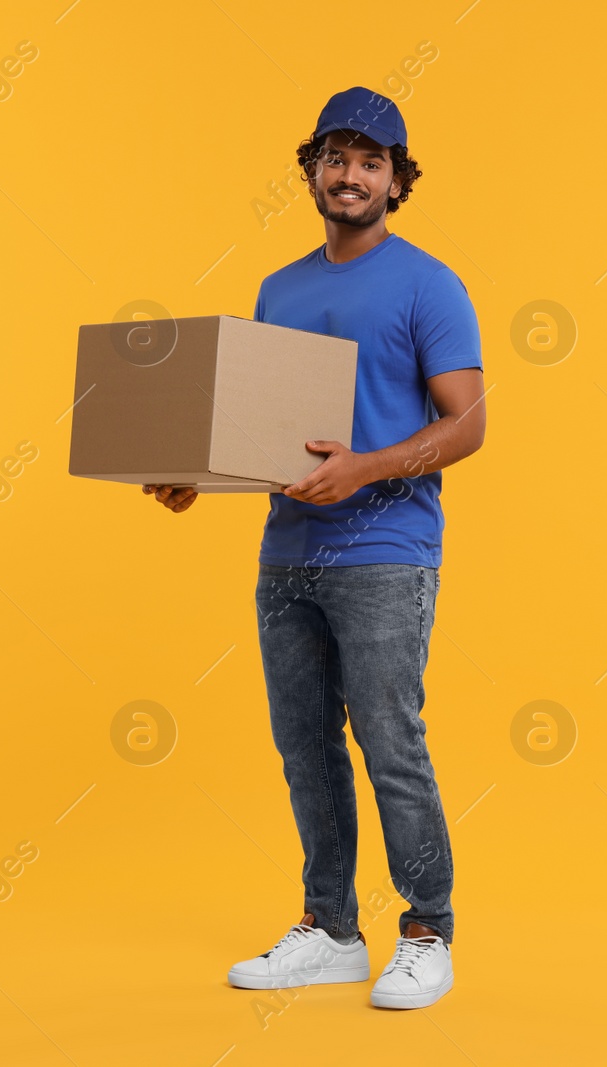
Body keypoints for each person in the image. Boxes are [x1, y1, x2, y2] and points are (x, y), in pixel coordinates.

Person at [144, 86, 484, 1010]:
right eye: (336, 157)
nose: (351, 174)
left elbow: (471, 423)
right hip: (288, 551)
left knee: (389, 739)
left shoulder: (429, 283)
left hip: (386, 550)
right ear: (313, 170)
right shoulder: (280, 289)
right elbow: (270, 433)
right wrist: (199, 478)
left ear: (396, 182)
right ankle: (331, 927)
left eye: (372, 162)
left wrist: (366, 468)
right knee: (304, 745)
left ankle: (428, 932)